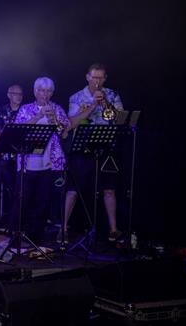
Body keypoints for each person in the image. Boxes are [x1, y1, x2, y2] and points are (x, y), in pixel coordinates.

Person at [64, 63, 125, 242]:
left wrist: (105, 102)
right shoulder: (76, 97)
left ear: (105, 79)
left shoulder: (112, 95)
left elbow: (120, 120)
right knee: (73, 190)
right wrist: (92, 106)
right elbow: (72, 123)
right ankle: (64, 228)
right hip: (82, 148)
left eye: (100, 78)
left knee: (109, 189)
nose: (97, 81)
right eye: (94, 77)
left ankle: (113, 229)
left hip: (106, 147)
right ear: (87, 77)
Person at [11, 77, 70, 245]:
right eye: (42, 90)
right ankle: (18, 234)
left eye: (49, 91)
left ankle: (36, 235)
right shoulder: (25, 109)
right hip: (27, 163)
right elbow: (18, 131)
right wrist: (38, 116)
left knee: (43, 201)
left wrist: (53, 120)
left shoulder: (57, 109)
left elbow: (64, 133)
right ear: (35, 91)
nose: (46, 94)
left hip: (49, 163)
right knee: (23, 199)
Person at [0, 84, 24, 229]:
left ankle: (11, 222)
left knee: (14, 190)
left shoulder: (24, 112)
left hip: (16, 157)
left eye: (21, 94)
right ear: (9, 95)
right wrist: (2, 133)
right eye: (15, 93)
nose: (19, 96)